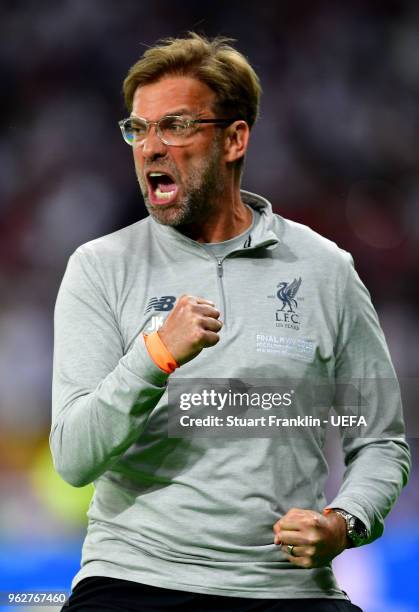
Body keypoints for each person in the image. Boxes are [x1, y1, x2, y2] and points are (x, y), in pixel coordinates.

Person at [50, 33, 410, 612]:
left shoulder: (325, 270)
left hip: (283, 586)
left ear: (234, 139)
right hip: (134, 578)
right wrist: (155, 356)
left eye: (176, 126)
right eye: (138, 130)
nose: (150, 147)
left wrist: (345, 522)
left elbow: (380, 441)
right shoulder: (100, 268)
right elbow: (73, 458)